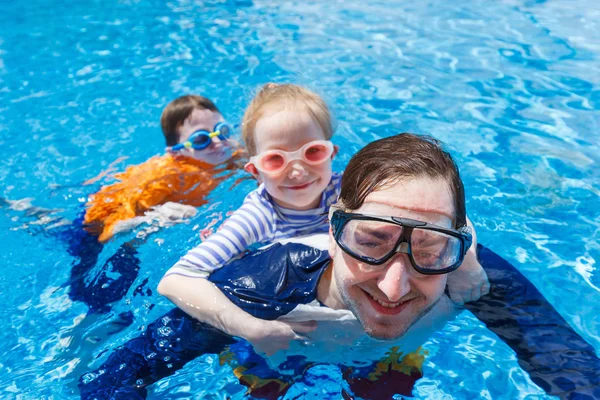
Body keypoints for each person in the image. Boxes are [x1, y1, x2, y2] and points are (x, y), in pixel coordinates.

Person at [79, 134, 600, 399]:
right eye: (371, 241)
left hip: (389, 361)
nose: (395, 287)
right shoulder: (264, 284)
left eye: (428, 249)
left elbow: (571, 367)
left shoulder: (470, 273)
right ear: (332, 229)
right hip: (271, 360)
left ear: (460, 244)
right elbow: (117, 374)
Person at [164, 83, 487, 308]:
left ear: (332, 152)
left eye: (312, 152)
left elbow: (440, 213)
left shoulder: (347, 186)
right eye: (276, 159)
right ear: (255, 171)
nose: (298, 170)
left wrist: (466, 263)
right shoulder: (257, 216)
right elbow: (177, 278)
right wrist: (253, 328)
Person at [66, 94, 245, 313]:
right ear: (177, 153)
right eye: (201, 140)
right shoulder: (165, 179)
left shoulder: (232, 152)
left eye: (222, 130)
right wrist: (154, 218)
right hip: (94, 223)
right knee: (102, 298)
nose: (218, 142)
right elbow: (110, 232)